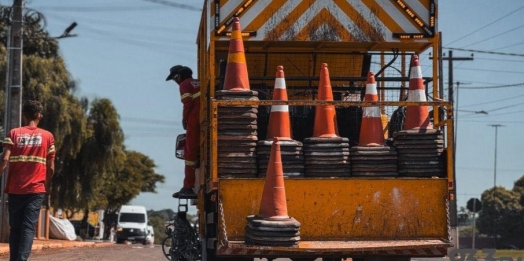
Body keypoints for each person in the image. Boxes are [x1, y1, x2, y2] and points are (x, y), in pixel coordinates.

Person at [1, 100, 55, 261]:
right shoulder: (48, 136)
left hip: (15, 189)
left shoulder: (14, 134)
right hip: (36, 190)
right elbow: (51, 167)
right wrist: (47, 185)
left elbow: (4, 160)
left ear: (23, 115)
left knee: (15, 228)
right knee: (28, 227)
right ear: (40, 116)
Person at [166, 65, 200, 199]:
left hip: (194, 118)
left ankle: (188, 186)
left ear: (178, 76)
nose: (176, 82)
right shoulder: (199, 82)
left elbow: (187, 103)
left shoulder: (185, 84)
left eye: (175, 79)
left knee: (189, 153)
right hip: (205, 116)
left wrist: (185, 120)